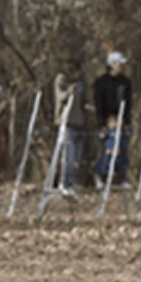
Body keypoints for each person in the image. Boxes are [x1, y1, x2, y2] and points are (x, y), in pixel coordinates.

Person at [93, 50, 132, 187]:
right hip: (107, 121)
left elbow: (128, 104)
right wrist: (103, 123)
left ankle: (121, 177)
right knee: (107, 150)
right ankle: (100, 175)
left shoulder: (126, 82)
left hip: (122, 121)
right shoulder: (101, 82)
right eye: (118, 63)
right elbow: (99, 104)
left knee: (122, 149)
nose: (121, 66)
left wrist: (126, 122)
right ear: (111, 64)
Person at [54, 58, 87, 196]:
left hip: (79, 122)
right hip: (66, 122)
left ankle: (72, 182)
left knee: (76, 157)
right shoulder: (61, 80)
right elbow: (61, 97)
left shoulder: (80, 83)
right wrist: (71, 90)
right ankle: (64, 183)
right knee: (68, 154)